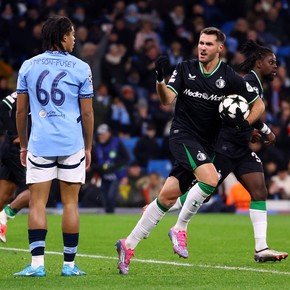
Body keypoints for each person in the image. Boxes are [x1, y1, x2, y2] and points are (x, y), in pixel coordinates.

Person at [115, 27, 264, 275]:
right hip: (182, 136)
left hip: (206, 145)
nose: (202, 47)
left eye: (208, 44)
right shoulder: (185, 69)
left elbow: (258, 103)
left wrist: (246, 123)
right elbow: (166, 99)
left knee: (166, 198)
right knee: (211, 178)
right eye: (200, 43)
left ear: (220, 48)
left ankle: (127, 244)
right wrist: (160, 80)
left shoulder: (229, 77)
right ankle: (180, 228)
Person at [169, 41, 288, 262]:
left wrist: (248, 130)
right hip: (224, 147)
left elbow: (239, 115)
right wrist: (265, 130)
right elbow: (231, 111)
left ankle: (261, 249)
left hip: (240, 148)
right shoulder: (248, 82)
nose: (275, 66)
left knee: (259, 191)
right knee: (205, 192)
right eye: (271, 62)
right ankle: (162, 206)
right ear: (259, 63)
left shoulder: (257, 84)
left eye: (276, 63)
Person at [14, 15, 94, 277]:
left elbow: (21, 110)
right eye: (72, 34)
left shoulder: (28, 66)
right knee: (70, 204)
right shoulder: (81, 68)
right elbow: (88, 113)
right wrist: (88, 146)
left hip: (40, 142)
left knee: (37, 204)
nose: (74, 39)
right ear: (62, 37)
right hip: (71, 143)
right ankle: (69, 266)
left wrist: (24, 145)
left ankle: (37, 266)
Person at [0, 92, 30, 243]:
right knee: (35, 190)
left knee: (4, 194)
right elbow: (3, 105)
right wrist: (14, 134)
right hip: (17, 149)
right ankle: (4, 214)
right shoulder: (25, 90)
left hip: (10, 149)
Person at [91, 123, 129, 213]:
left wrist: (122, 173)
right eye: (100, 134)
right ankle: (107, 215)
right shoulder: (96, 146)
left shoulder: (117, 143)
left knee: (111, 196)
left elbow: (126, 158)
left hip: (116, 175)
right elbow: (93, 163)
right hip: (102, 176)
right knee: (104, 197)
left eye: (103, 134)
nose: (102, 136)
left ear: (109, 133)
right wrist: (100, 168)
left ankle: (111, 214)